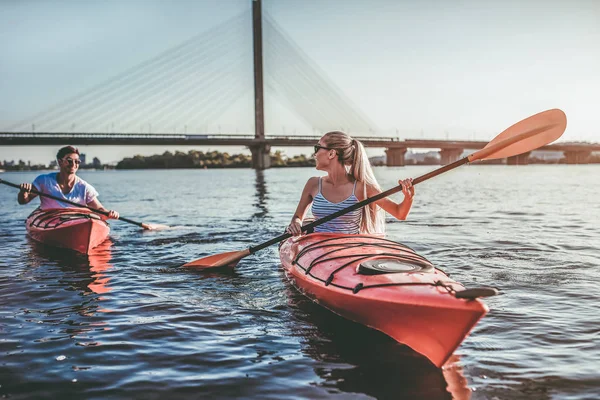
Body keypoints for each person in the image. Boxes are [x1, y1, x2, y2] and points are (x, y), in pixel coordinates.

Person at [286, 131, 414, 236]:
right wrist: (296, 223)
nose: (315, 154)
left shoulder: (362, 187)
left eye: (317, 148)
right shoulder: (313, 184)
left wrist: (408, 198)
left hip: (349, 248)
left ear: (331, 153)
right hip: (318, 248)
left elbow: (399, 213)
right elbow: (297, 216)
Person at [18, 145, 119, 220]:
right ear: (60, 162)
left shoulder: (84, 187)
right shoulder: (43, 180)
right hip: (51, 219)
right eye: (69, 160)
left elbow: (99, 208)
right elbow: (23, 201)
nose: (73, 164)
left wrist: (109, 213)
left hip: (77, 219)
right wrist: (24, 192)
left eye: (77, 161)